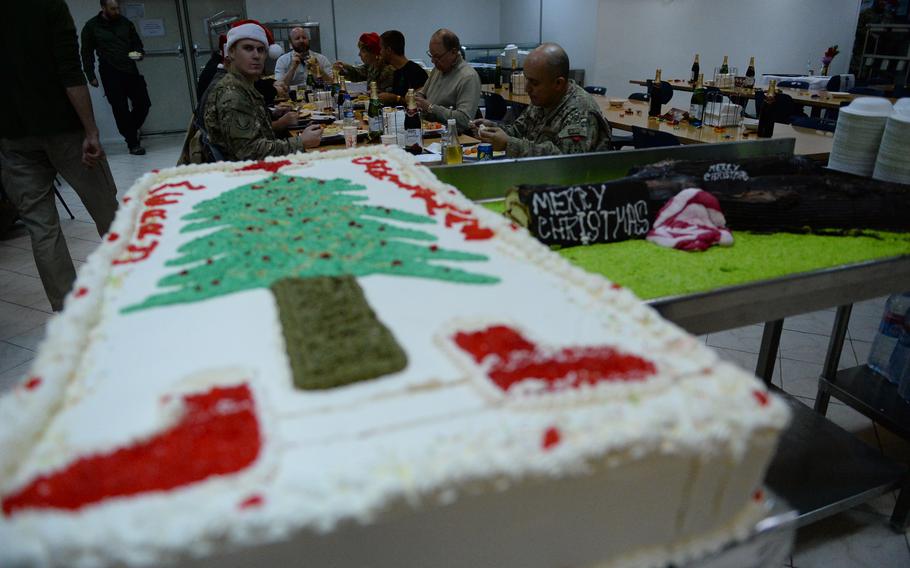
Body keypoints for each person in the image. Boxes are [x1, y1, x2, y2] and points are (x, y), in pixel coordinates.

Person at [1, 0, 119, 311]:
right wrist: (91, 131)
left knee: (41, 227)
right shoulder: (47, 5)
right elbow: (69, 70)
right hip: (64, 129)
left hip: (12, 136)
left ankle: (68, 311)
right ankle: (128, 286)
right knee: (106, 211)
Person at [203, 21, 322, 162]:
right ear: (232, 52)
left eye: (261, 50)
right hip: (249, 174)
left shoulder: (241, 84)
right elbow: (250, 152)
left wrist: (271, 113)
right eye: (248, 48)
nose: (256, 56)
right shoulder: (232, 94)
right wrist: (301, 141)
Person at [472, 43, 611, 157]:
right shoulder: (542, 100)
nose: (527, 89)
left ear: (558, 84)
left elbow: (565, 161)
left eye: (534, 82)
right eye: (527, 79)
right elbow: (518, 131)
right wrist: (491, 128)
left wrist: (509, 144)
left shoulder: (581, 111)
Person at [81, 0, 151, 155]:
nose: (117, 11)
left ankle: (129, 131)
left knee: (143, 104)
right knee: (120, 109)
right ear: (103, 7)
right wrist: (90, 75)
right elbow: (86, 53)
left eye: (118, 8)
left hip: (130, 69)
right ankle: (132, 143)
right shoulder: (91, 26)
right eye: (113, 9)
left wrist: (135, 55)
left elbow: (137, 46)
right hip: (110, 71)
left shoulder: (125, 23)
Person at [416, 29, 480, 133]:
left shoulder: (468, 77)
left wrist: (431, 108)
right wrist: (416, 99)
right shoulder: (438, 69)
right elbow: (422, 94)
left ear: (453, 52)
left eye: (437, 56)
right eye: (431, 55)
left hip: (454, 137)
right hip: (430, 131)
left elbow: (464, 120)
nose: (433, 61)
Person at [377, 30, 428, 106]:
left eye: (381, 49)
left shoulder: (416, 72)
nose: (380, 53)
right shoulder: (397, 72)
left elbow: (418, 104)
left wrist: (394, 98)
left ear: (388, 50)